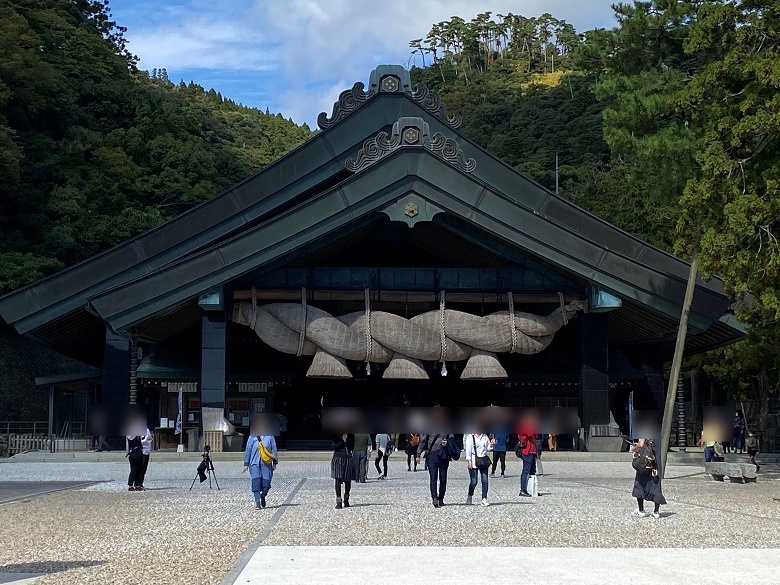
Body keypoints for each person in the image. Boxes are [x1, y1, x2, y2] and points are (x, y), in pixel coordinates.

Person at [630, 438, 666, 519]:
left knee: (639, 483)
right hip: (655, 458)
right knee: (655, 484)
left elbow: (641, 444)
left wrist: (634, 448)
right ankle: (656, 512)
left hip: (645, 459)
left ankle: (641, 510)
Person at [417, 433, 454, 508]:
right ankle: (434, 498)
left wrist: (447, 443)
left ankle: (441, 498)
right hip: (432, 455)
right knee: (433, 478)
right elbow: (423, 441)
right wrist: (418, 454)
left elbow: (452, 441)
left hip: (443, 455)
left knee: (443, 478)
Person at [243, 433, 278, 509]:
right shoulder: (252, 437)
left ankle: (263, 496)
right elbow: (248, 450)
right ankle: (257, 502)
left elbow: (274, 449)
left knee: (266, 484)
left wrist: (275, 462)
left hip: (266, 464)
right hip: (254, 463)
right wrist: (246, 464)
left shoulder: (270, 437)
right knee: (256, 483)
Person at [465, 432, 495, 506]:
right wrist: (469, 461)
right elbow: (468, 449)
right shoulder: (470, 437)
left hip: (483, 460)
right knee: (474, 482)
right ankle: (470, 495)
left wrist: (491, 444)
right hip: (473, 460)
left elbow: (488, 448)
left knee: (485, 481)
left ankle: (484, 498)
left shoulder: (484, 436)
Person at [332, 433, 355, 509]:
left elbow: (352, 446)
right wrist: (342, 441)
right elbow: (334, 446)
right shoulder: (335, 436)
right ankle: (339, 501)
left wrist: (346, 441)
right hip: (338, 458)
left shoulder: (351, 435)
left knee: (348, 480)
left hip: (347, 458)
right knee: (338, 479)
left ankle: (346, 499)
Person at [517, 422, 538, 498]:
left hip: (533, 450)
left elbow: (536, 434)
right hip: (527, 450)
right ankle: (523, 490)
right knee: (526, 471)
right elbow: (529, 433)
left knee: (532, 471)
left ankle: (532, 489)